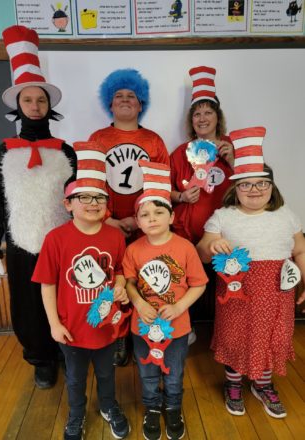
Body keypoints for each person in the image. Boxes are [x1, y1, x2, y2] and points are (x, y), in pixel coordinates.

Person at [0, 25, 76, 388]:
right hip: (22, 246)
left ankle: (68, 349)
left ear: (50, 106)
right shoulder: (1, 155)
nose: (35, 106)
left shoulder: (66, 153)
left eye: (41, 100)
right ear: (18, 106)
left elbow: (80, 199)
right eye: (28, 100)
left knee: (68, 300)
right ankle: (41, 358)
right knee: (28, 306)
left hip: (65, 245)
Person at [196, 127, 305, 419]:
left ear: (272, 187)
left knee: (270, 337)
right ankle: (233, 385)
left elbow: (300, 250)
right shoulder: (224, 216)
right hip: (236, 295)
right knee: (235, 337)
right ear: (235, 188)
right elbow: (201, 251)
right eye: (246, 185)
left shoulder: (286, 215)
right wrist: (213, 245)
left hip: (276, 293)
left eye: (261, 184)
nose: (254, 190)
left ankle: (263, 384)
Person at [32, 141, 130, 440]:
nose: (92, 202)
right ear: (68, 203)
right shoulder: (56, 239)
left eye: (99, 197)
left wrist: (122, 287)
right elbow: (47, 283)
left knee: (106, 373)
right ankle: (76, 415)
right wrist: (54, 324)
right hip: (71, 328)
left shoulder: (115, 236)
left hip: (104, 325)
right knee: (74, 378)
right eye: (83, 197)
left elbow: (120, 272)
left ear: (106, 203)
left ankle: (109, 406)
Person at [89, 68, 170, 366]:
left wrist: (142, 219)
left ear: (141, 104)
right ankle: (118, 336)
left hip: (144, 225)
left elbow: (162, 185)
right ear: (109, 105)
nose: (124, 100)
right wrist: (108, 218)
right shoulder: (98, 138)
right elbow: (91, 181)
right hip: (106, 224)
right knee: (112, 280)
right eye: (118, 96)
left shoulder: (154, 141)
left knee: (146, 278)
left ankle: (146, 333)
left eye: (131, 96)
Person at [123, 160, 208, 440]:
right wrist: (139, 303)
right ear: (138, 221)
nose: (152, 218)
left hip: (178, 327)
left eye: (159, 212)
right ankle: (152, 408)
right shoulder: (133, 250)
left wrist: (180, 306)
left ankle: (172, 407)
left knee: (174, 372)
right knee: (147, 371)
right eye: (145, 214)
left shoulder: (184, 248)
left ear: (171, 217)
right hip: (143, 326)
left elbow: (199, 284)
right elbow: (130, 282)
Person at [170, 66, 234, 333]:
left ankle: (230, 332)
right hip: (188, 235)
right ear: (191, 121)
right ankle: (188, 329)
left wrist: (233, 159)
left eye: (208, 112)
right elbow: (163, 192)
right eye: (197, 113)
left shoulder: (234, 146)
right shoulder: (180, 153)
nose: (202, 118)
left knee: (229, 284)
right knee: (189, 283)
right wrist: (182, 195)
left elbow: (258, 185)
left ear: (218, 118)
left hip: (226, 235)